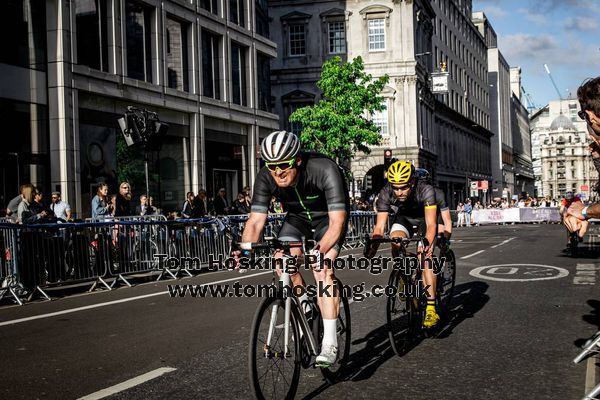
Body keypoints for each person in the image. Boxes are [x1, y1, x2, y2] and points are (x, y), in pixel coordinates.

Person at [232, 130, 349, 368]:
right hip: (297, 220)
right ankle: (305, 304)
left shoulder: (324, 168)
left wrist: (320, 250)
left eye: (283, 165)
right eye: (271, 165)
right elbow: (255, 221)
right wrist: (245, 251)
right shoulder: (266, 176)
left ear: (296, 159)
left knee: (322, 269)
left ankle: (329, 342)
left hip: (327, 219)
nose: (278, 172)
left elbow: (337, 223)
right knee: (282, 261)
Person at [364, 160, 440, 329]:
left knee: (425, 256)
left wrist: (426, 245)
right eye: (395, 187)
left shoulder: (425, 189)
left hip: (424, 220)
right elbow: (379, 226)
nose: (399, 192)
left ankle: (430, 307)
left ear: (412, 182)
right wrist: (373, 248)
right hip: (404, 218)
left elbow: (432, 224)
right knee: (395, 242)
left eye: (403, 187)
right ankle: (404, 279)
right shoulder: (385, 192)